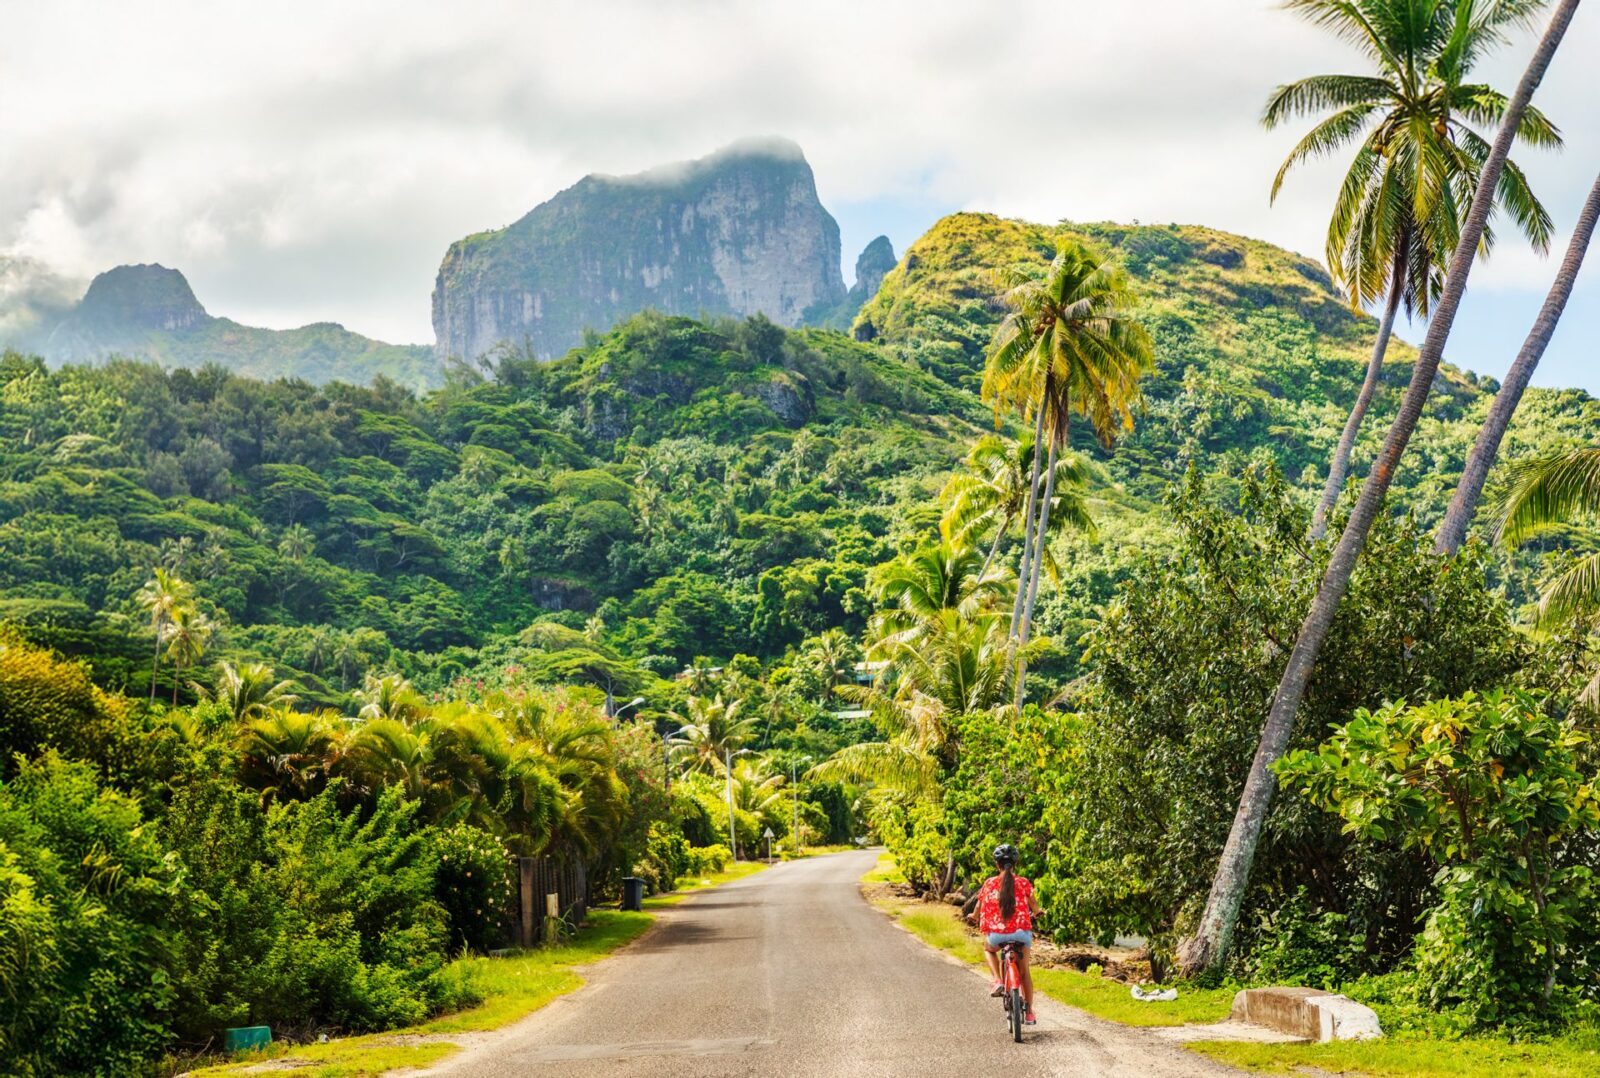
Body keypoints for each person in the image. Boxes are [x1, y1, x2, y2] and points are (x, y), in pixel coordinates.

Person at [962, 843, 1042, 1025]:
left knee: (989, 950)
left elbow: (978, 907)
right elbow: (1034, 905)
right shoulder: (1023, 883)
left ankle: (997, 980)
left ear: (997, 865)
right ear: (1015, 864)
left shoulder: (989, 883)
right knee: (1024, 973)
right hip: (1021, 934)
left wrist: (973, 917)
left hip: (997, 936)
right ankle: (1029, 1012)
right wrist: (1037, 912)